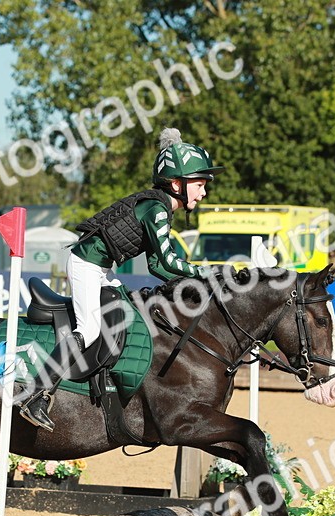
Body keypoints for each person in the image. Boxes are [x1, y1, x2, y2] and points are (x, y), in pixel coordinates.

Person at [18, 128, 224, 432]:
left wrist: (192, 281)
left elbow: (157, 266)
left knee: (127, 309)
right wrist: (205, 273)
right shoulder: (157, 209)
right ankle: (36, 394)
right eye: (199, 184)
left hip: (101, 268)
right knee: (88, 329)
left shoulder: (159, 207)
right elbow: (169, 261)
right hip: (87, 264)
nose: (203, 192)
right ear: (176, 184)